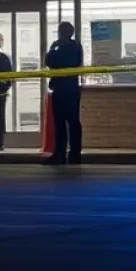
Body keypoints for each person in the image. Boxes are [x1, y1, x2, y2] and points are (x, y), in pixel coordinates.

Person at [45, 21, 84, 164]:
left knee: (65, 123)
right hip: (68, 88)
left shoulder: (62, 46)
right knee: (68, 122)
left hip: (64, 88)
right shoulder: (74, 46)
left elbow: (50, 61)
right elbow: (49, 61)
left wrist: (54, 50)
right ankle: (70, 155)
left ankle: (64, 155)